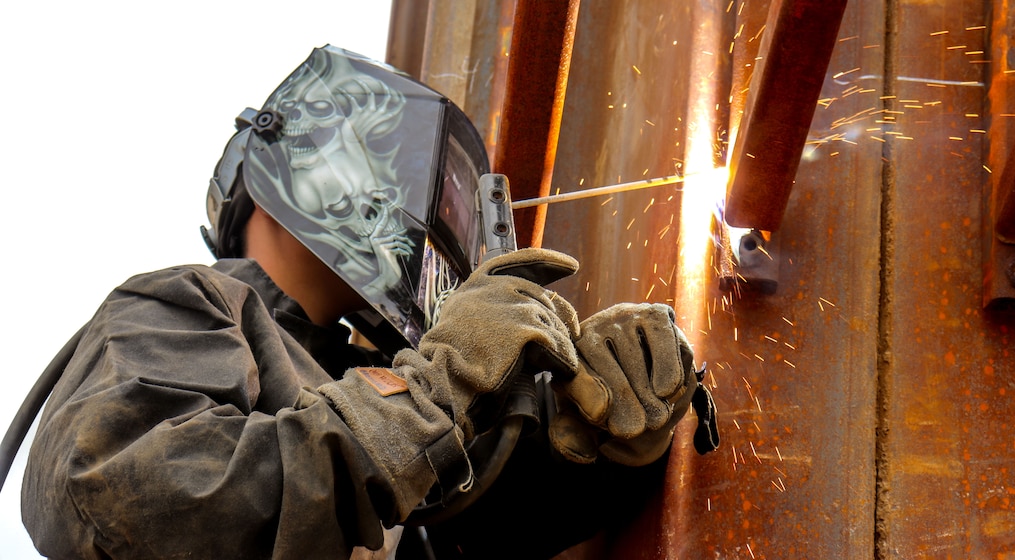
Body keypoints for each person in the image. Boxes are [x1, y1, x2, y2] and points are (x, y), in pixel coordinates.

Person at [21, 45, 715, 559]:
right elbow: (122, 505)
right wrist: (436, 391)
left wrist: (597, 437)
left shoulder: (362, 373)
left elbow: (471, 532)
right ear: (305, 153)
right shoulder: (187, 303)